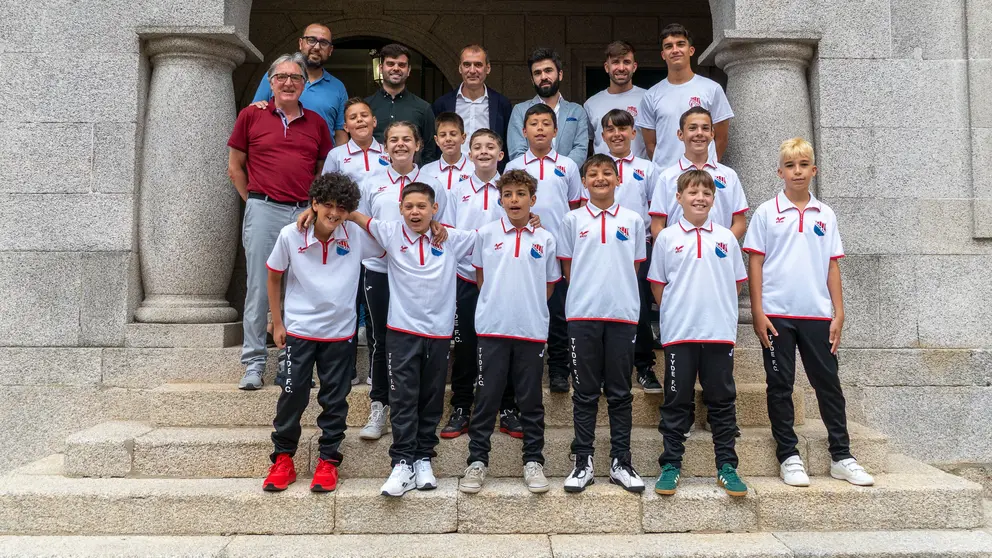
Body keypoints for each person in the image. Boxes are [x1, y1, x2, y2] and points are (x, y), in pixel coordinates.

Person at [299, 121, 449, 440]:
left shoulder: (434, 182)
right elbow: (350, 217)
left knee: (420, 340)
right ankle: (380, 405)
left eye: (406, 139)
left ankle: (417, 410)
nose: (400, 145)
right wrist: (314, 213)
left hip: (418, 274)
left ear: (418, 144)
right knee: (381, 340)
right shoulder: (372, 181)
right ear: (386, 145)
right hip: (380, 270)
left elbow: (444, 226)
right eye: (393, 139)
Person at [743, 138, 875, 488]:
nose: (797, 171)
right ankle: (788, 455)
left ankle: (842, 456)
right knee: (780, 385)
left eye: (803, 165)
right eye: (790, 166)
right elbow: (755, 263)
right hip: (776, 315)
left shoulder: (825, 214)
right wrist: (757, 311)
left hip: (817, 314)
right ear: (780, 172)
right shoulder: (765, 213)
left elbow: (832, 266)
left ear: (813, 170)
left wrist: (839, 311)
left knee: (828, 384)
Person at [347, 183, 474, 497]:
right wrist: (314, 208)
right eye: (409, 207)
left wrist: (535, 221)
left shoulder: (452, 238)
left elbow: (498, 236)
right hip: (402, 332)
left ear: (434, 210)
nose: (415, 212)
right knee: (403, 398)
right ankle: (402, 461)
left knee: (430, 399)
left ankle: (423, 458)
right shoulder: (390, 232)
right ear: (400, 209)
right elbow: (353, 216)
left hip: (440, 333)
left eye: (422, 206)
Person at [261, 172, 383, 493]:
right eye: (326, 205)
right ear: (313, 203)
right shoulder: (291, 234)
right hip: (300, 330)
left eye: (341, 207)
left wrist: (353, 215)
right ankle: (283, 459)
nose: (333, 212)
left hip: (339, 334)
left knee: (335, 399)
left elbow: (387, 244)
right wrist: (278, 321)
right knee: (292, 395)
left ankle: (328, 460)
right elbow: (274, 275)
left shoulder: (354, 235)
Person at [228, 53, 332, 391]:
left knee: (298, 287)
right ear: (271, 82)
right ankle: (254, 362)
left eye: (295, 78)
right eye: (281, 77)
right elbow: (235, 167)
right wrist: (257, 203)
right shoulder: (251, 116)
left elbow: (322, 170)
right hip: (264, 210)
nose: (288, 83)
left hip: (303, 213)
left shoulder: (316, 122)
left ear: (304, 84)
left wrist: (313, 207)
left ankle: (292, 361)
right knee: (260, 286)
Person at [648, 170, 748, 498]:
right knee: (677, 399)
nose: (700, 198)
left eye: (706, 192)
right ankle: (671, 464)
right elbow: (658, 285)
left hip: (718, 332)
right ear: (678, 198)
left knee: (722, 400)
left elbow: (735, 283)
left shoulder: (725, 238)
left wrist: (716, 311)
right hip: (680, 333)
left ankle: (727, 466)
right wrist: (678, 312)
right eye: (692, 192)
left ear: (714, 198)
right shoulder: (667, 238)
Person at [459, 170, 560, 495]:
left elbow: (548, 285)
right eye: (508, 194)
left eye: (521, 194)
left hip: (531, 330)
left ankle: (533, 461)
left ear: (533, 199)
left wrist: (525, 308)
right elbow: (481, 278)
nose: (514, 200)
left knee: (530, 399)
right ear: (500, 199)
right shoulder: (486, 234)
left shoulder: (544, 238)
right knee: (487, 397)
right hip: (493, 329)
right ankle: (477, 461)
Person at [558, 154, 646, 494]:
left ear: (617, 179)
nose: (600, 178)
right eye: (593, 174)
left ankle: (621, 462)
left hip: (622, 315)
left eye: (607, 173)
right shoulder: (572, 220)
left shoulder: (633, 220)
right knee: (584, 392)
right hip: (582, 315)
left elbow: (633, 267)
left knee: (621, 393)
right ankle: (583, 461)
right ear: (584, 181)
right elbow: (569, 269)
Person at [440, 129, 521, 440]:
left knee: (506, 343)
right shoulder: (457, 191)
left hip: (504, 279)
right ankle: (461, 405)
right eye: (477, 147)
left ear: (501, 154)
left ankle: (508, 406)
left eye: (491, 146)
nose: (484, 151)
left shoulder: (512, 191)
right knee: (465, 346)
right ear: (469, 153)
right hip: (466, 278)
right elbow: (446, 233)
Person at [580, 109, 662, 394]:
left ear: (633, 133)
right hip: (598, 246)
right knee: (602, 304)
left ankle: (644, 366)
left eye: (622, 129)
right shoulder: (593, 168)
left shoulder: (647, 168)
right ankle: (603, 370)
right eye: (610, 129)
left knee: (636, 304)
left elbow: (656, 209)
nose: (616, 134)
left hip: (637, 247)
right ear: (602, 136)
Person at [504, 104, 583, 393]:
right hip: (524, 250)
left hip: (560, 250)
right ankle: (523, 367)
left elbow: (576, 208)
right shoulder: (514, 167)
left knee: (559, 310)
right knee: (526, 307)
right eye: (534, 124)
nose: (540, 128)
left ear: (555, 130)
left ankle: (559, 368)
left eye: (546, 123)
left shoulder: (568, 166)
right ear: (523, 131)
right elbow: (508, 206)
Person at [636, 23, 733, 169]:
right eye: (669, 46)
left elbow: (721, 138)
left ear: (691, 50)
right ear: (663, 55)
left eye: (680, 44)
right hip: (665, 177)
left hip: (703, 178)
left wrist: (706, 167)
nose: (675, 50)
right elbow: (650, 145)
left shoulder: (712, 89)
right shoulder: (651, 95)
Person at [649, 107, 748, 241]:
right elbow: (657, 226)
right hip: (679, 256)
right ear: (680, 134)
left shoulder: (729, 175)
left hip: (717, 255)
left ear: (712, 134)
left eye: (705, 128)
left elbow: (740, 223)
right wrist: (675, 248)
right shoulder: (666, 177)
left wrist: (719, 245)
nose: (699, 133)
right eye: (692, 128)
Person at [252, 23, 349, 147]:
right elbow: (255, 114)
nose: (317, 47)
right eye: (311, 40)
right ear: (300, 43)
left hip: (322, 163)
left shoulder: (338, 87)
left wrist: (339, 164)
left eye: (324, 43)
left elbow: (340, 132)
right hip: (278, 157)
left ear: (330, 50)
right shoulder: (276, 76)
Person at [431, 44, 513, 169]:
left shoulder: (501, 103)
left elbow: (507, 144)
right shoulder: (443, 104)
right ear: (460, 68)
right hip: (452, 173)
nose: (472, 70)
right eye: (467, 65)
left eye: (478, 65)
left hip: (489, 174)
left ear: (488, 68)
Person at [507, 48, 589, 167]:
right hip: (529, 182)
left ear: (560, 75)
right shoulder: (520, 111)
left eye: (548, 70)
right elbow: (517, 152)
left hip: (566, 180)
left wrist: (558, 173)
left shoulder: (576, 111)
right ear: (532, 80)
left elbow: (580, 149)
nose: (543, 77)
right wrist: (539, 174)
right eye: (537, 73)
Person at [366, 43, 437, 163]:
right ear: (380, 68)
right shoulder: (366, 107)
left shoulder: (423, 108)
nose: (396, 68)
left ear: (408, 70)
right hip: (372, 178)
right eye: (390, 64)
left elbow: (429, 152)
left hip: (412, 178)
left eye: (402, 65)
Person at [584, 41, 647, 159]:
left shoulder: (648, 98)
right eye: (615, 62)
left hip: (638, 175)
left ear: (634, 67)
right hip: (602, 174)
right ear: (607, 67)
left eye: (627, 62)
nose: (621, 68)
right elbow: (588, 145)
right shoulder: (591, 103)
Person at [321, 97, 386, 182]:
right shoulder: (336, 155)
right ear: (346, 127)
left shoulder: (388, 152)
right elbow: (326, 190)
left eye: (364, 115)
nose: (359, 119)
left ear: (374, 121)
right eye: (353, 117)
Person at [425, 112, 475, 191]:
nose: (448, 139)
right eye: (443, 135)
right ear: (436, 140)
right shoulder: (426, 171)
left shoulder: (474, 169)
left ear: (463, 138)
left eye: (453, 134)